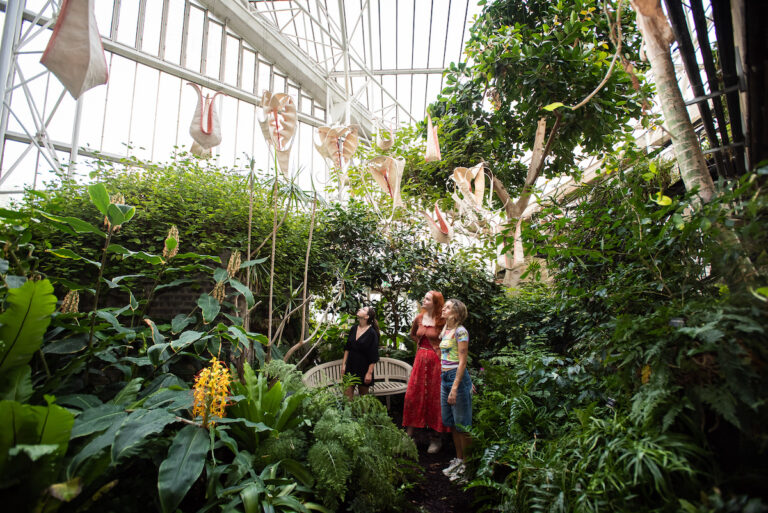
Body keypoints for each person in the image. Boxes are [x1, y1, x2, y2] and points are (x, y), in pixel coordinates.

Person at [402, 291, 450, 453]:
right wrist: (423, 350)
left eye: (427, 299)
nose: (424, 300)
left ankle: (436, 438)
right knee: (413, 396)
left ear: (435, 303)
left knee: (435, 398)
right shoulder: (419, 318)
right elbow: (413, 335)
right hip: (420, 362)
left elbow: (448, 342)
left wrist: (434, 350)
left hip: (436, 363)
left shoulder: (442, 321)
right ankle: (409, 437)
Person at [439, 299, 473, 482]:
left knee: (463, 425)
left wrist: (455, 387)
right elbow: (444, 357)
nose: (443, 308)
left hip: (455, 379)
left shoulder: (461, 332)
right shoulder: (446, 329)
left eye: (448, 307)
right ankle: (459, 460)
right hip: (444, 377)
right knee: (451, 422)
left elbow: (462, 361)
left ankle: (467, 467)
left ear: (457, 313)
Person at [341, 306, 380, 400]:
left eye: (363, 309)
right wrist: (343, 365)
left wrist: (369, 373)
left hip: (364, 369)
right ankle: (349, 415)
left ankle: (362, 415)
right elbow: (347, 348)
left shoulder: (372, 333)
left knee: (363, 401)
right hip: (350, 367)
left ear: (367, 317)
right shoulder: (354, 328)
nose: (360, 309)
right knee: (347, 399)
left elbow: (374, 355)